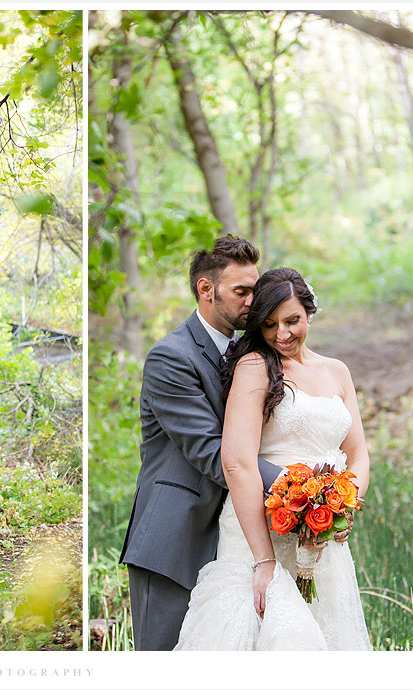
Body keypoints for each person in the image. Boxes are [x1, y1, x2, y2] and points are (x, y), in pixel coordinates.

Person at [174, 267, 372, 650]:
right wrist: (264, 560)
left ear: (310, 313)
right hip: (263, 529)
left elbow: (358, 453)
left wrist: (343, 508)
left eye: (292, 320)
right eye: (269, 324)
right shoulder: (254, 368)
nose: (282, 334)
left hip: (324, 534)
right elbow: (237, 463)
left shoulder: (337, 371)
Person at [119, 235, 283, 651]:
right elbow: (214, 453)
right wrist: (298, 484)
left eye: (255, 290)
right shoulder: (170, 358)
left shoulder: (259, 354)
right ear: (205, 290)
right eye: (241, 292)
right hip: (176, 541)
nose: (252, 301)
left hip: (237, 542)